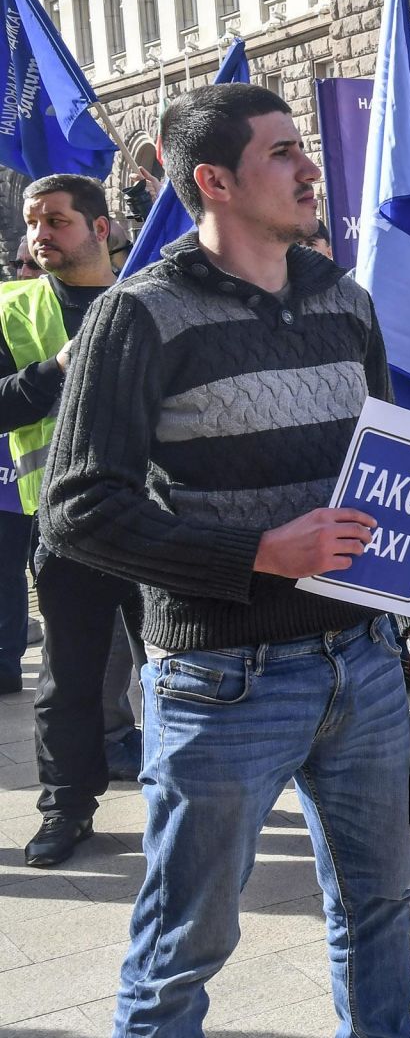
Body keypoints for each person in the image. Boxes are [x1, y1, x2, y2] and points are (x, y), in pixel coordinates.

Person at [39, 82, 410, 1035]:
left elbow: (386, 482)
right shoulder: (138, 316)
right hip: (221, 684)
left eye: (302, 149)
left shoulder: (344, 301)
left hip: (360, 664)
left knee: (381, 913)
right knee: (185, 943)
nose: (311, 167)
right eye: (282, 154)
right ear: (214, 181)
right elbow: (75, 511)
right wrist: (258, 553)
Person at [3, 175, 145, 867]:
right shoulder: (13, 309)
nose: (39, 233)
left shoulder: (149, 296)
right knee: (69, 680)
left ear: (101, 227)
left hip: (157, 520)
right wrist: (59, 366)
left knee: (175, 668)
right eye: (33, 221)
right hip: (67, 527)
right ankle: (66, 808)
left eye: (55, 219)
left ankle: (199, 785)